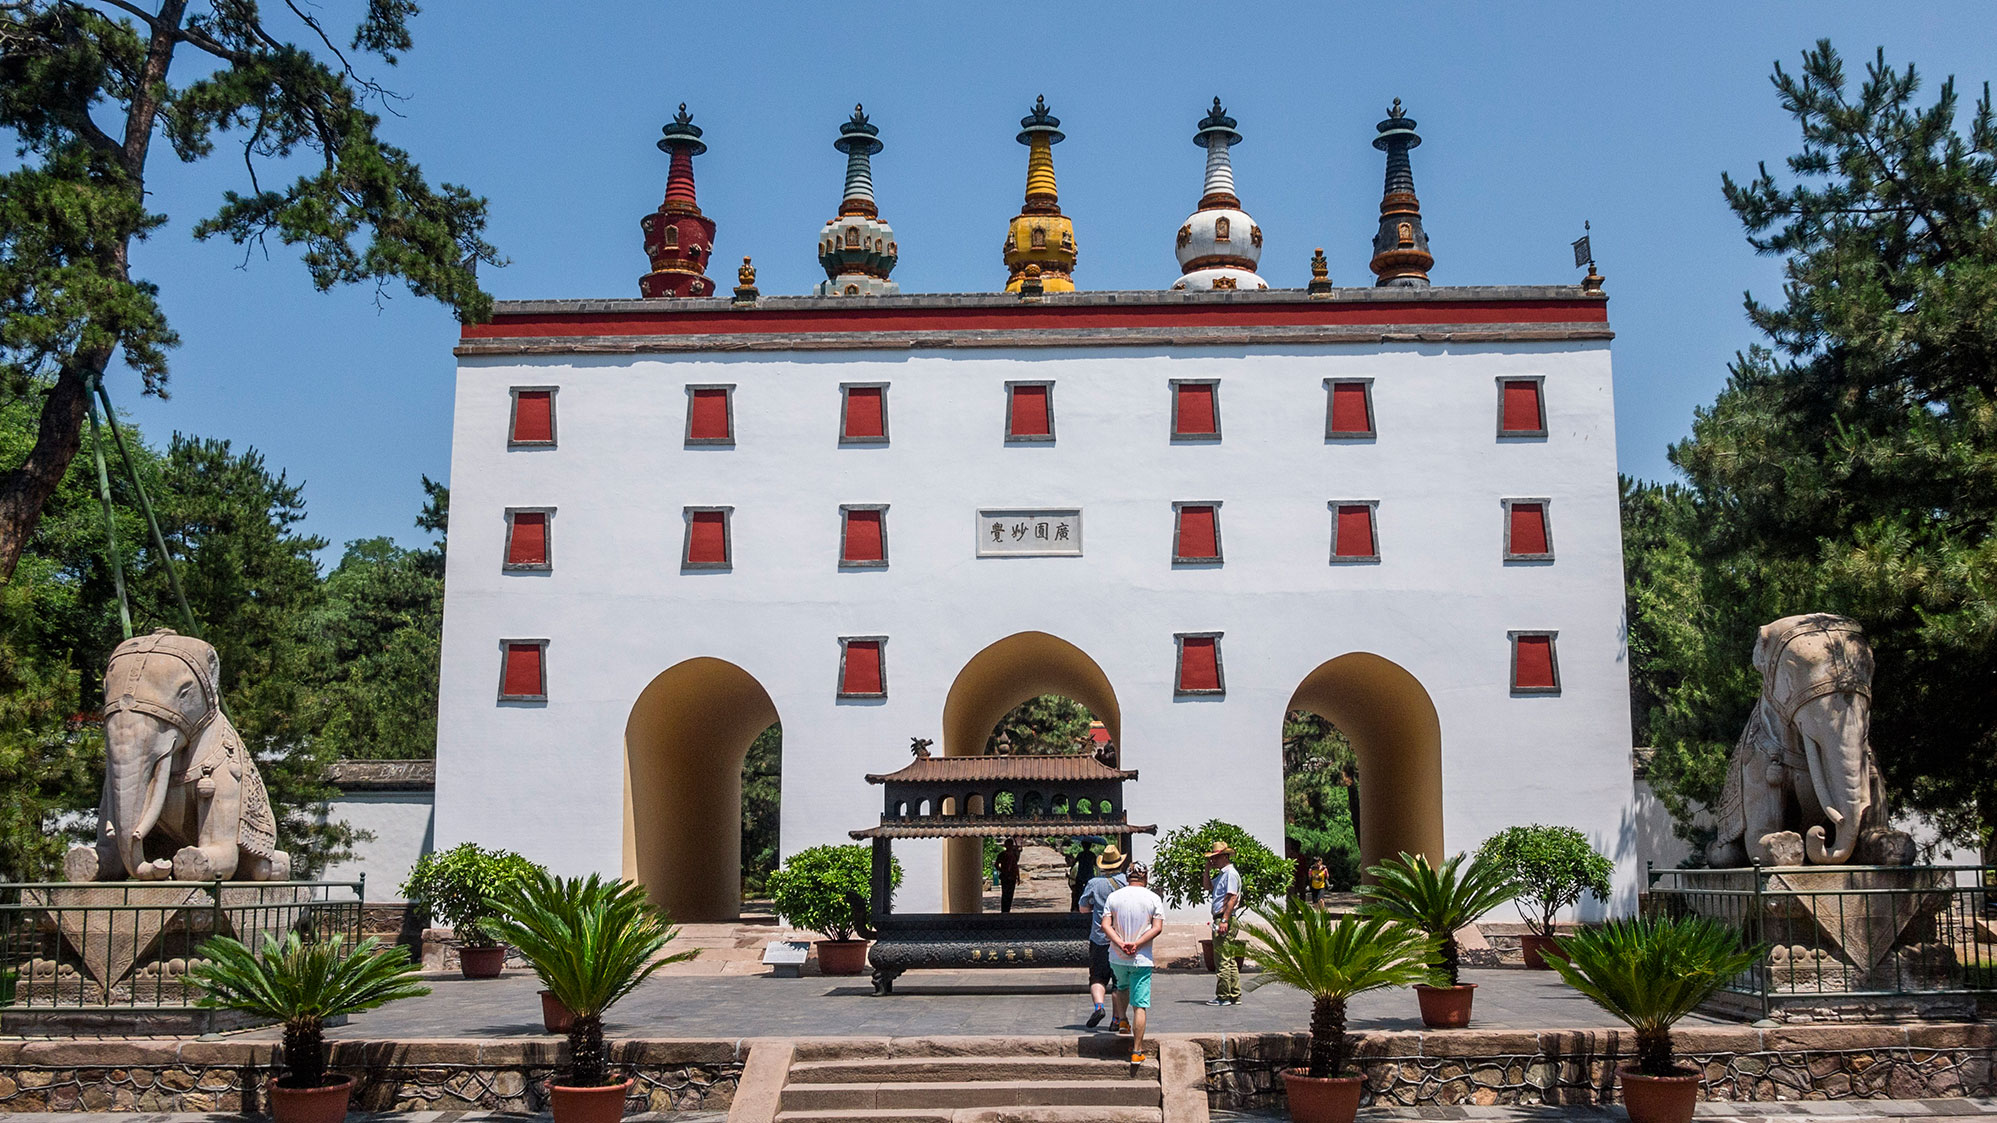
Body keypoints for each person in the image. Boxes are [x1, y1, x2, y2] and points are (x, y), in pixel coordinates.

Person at [1101, 862, 1165, 1065]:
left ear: (1127, 877)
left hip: (1117, 956)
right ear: (1145, 877)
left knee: (1121, 986)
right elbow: (1157, 927)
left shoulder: (1114, 896)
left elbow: (1105, 924)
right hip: (1141, 958)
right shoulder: (1153, 898)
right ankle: (1137, 1051)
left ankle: (1122, 1021)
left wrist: (1120, 943)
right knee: (1140, 1005)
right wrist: (1136, 944)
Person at [1076, 842, 1130, 1029]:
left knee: (1097, 977)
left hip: (1099, 937)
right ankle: (1117, 1019)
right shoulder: (1126, 881)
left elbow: (1082, 908)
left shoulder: (1094, 883)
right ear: (1119, 864)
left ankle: (1099, 1006)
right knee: (1119, 981)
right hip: (1122, 939)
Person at [1202, 841, 1243, 1006]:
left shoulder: (1230, 874)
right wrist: (1206, 870)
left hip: (1224, 917)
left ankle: (1223, 996)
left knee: (1222, 959)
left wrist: (1225, 919)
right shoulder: (1222, 874)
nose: (1214, 861)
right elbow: (1207, 886)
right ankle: (1234, 993)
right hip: (1221, 917)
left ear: (1225, 857)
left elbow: (1232, 897)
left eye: (1216, 857)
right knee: (1229, 958)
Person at [997, 838, 1022, 914]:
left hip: (1012, 877)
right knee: (1005, 893)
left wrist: (1018, 876)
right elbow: (996, 864)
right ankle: (1004, 910)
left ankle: (1007, 909)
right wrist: (1002, 870)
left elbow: (1015, 866)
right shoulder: (1002, 854)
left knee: (1010, 894)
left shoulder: (1014, 855)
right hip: (1005, 877)